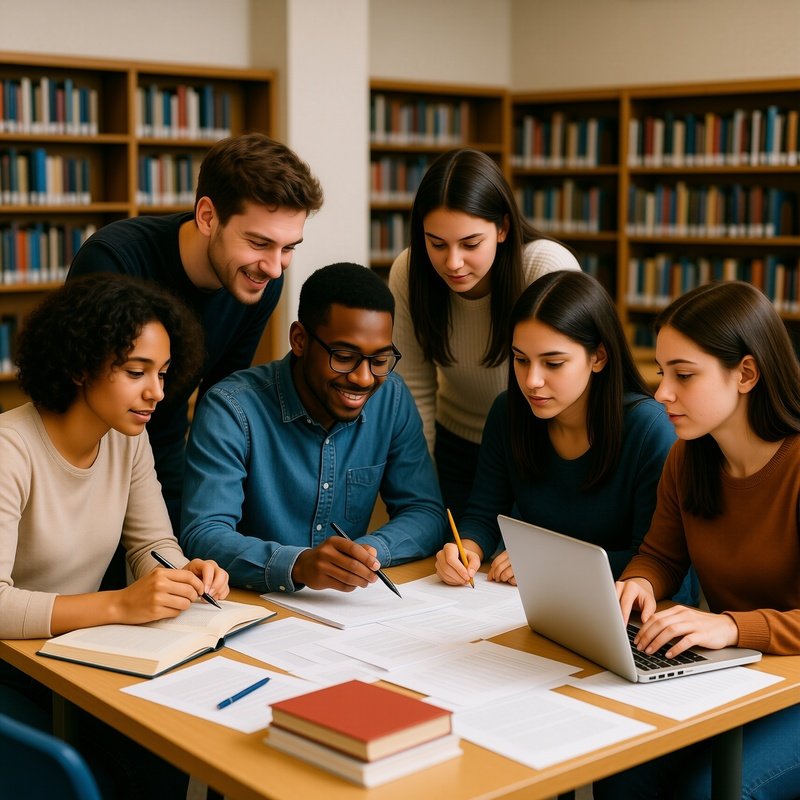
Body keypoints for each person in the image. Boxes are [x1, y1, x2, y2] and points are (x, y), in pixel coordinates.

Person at [0, 273, 230, 799]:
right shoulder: (10, 451)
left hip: (72, 661)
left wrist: (179, 576)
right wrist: (120, 605)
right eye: (136, 372)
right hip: (12, 669)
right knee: (124, 774)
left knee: (178, 758)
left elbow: (151, 542)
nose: (157, 392)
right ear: (81, 366)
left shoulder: (128, 437)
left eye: (164, 374)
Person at [594, 281, 800, 800]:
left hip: (787, 683)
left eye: (683, 375)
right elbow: (661, 555)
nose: (662, 392)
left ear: (746, 373)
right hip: (742, 675)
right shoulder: (689, 458)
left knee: (712, 789)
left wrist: (732, 627)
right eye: (663, 373)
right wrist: (640, 581)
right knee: (621, 769)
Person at [68, 132, 324, 529]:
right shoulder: (115, 259)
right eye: (259, 243)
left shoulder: (261, 282)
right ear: (207, 216)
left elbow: (220, 400)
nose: (275, 268)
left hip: (164, 458)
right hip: (83, 463)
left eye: (288, 248)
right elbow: (78, 399)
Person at [181, 262, 446, 594]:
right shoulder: (232, 408)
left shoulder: (391, 398)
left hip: (346, 616)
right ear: (300, 340)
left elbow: (425, 513)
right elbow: (203, 534)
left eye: (379, 360)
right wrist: (297, 564)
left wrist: (366, 554)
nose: (364, 378)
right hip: (250, 607)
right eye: (345, 356)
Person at [435, 270, 678, 587]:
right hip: (545, 603)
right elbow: (483, 515)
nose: (532, 381)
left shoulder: (649, 429)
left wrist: (547, 564)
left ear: (598, 356)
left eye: (553, 363)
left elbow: (657, 562)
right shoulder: (508, 411)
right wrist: (465, 550)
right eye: (521, 360)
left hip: (636, 614)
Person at [388, 147, 581, 519]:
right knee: (457, 565)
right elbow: (416, 396)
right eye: (437, 243)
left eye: (471, 244)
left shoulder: (544, 267)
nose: (453, 262)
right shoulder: (409, 272)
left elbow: (573, 388)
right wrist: (420, 498)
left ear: (503, 228)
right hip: (454, 448)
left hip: (540, 447)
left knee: (522, 567)